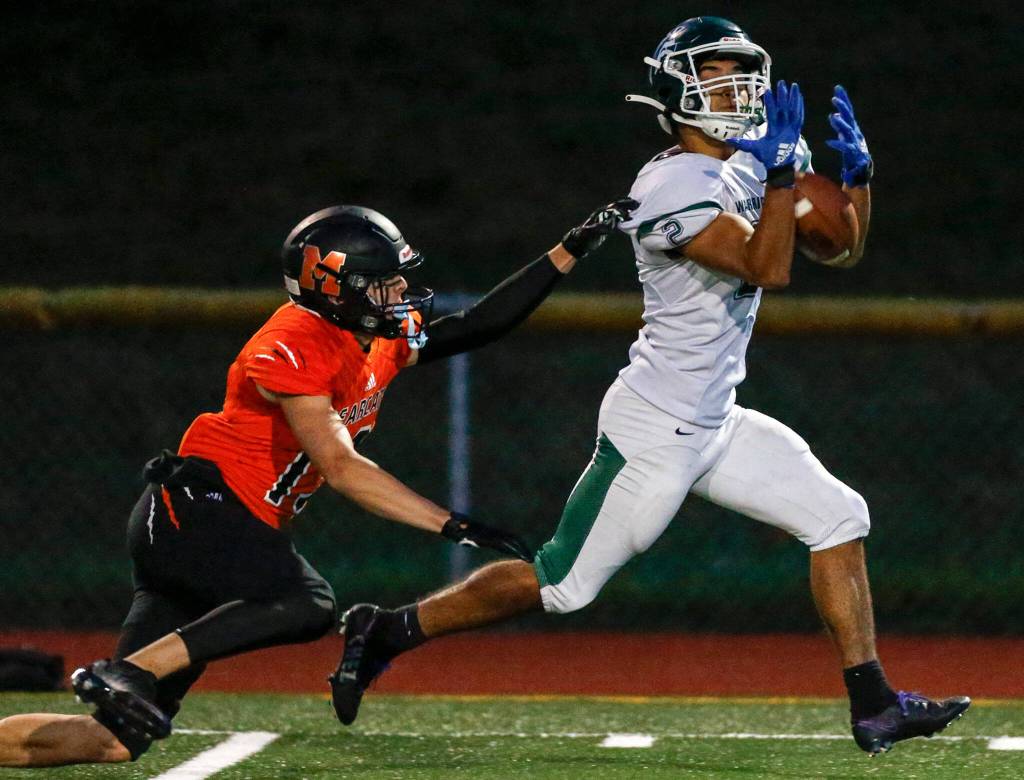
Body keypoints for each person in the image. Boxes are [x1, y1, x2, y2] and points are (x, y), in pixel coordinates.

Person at [330, 17, 970, 756]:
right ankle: (385, 628)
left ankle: (875, 705)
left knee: (838, 517)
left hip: (715, 419)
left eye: (742, 72)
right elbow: (768, 267)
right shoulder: (668, 185)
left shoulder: (754, 156)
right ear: (678, 90)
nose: (740, 88)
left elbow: (839, 247)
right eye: (719, 75)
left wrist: (857, 180)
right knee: (563, 585)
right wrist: (782, 178)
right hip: (657, 425)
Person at [0, 200, 635, 768]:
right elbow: (339, 466)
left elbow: (478, 325)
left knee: (113, 741)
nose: (397, 293)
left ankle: (121, 680)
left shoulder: (372, 339)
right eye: (380, 283)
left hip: (213, 525)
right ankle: (128, 670)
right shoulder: (295, 338)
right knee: (307, 604)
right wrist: (449, 522)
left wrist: (566, 252)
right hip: (198, 509)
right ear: (333, 287)